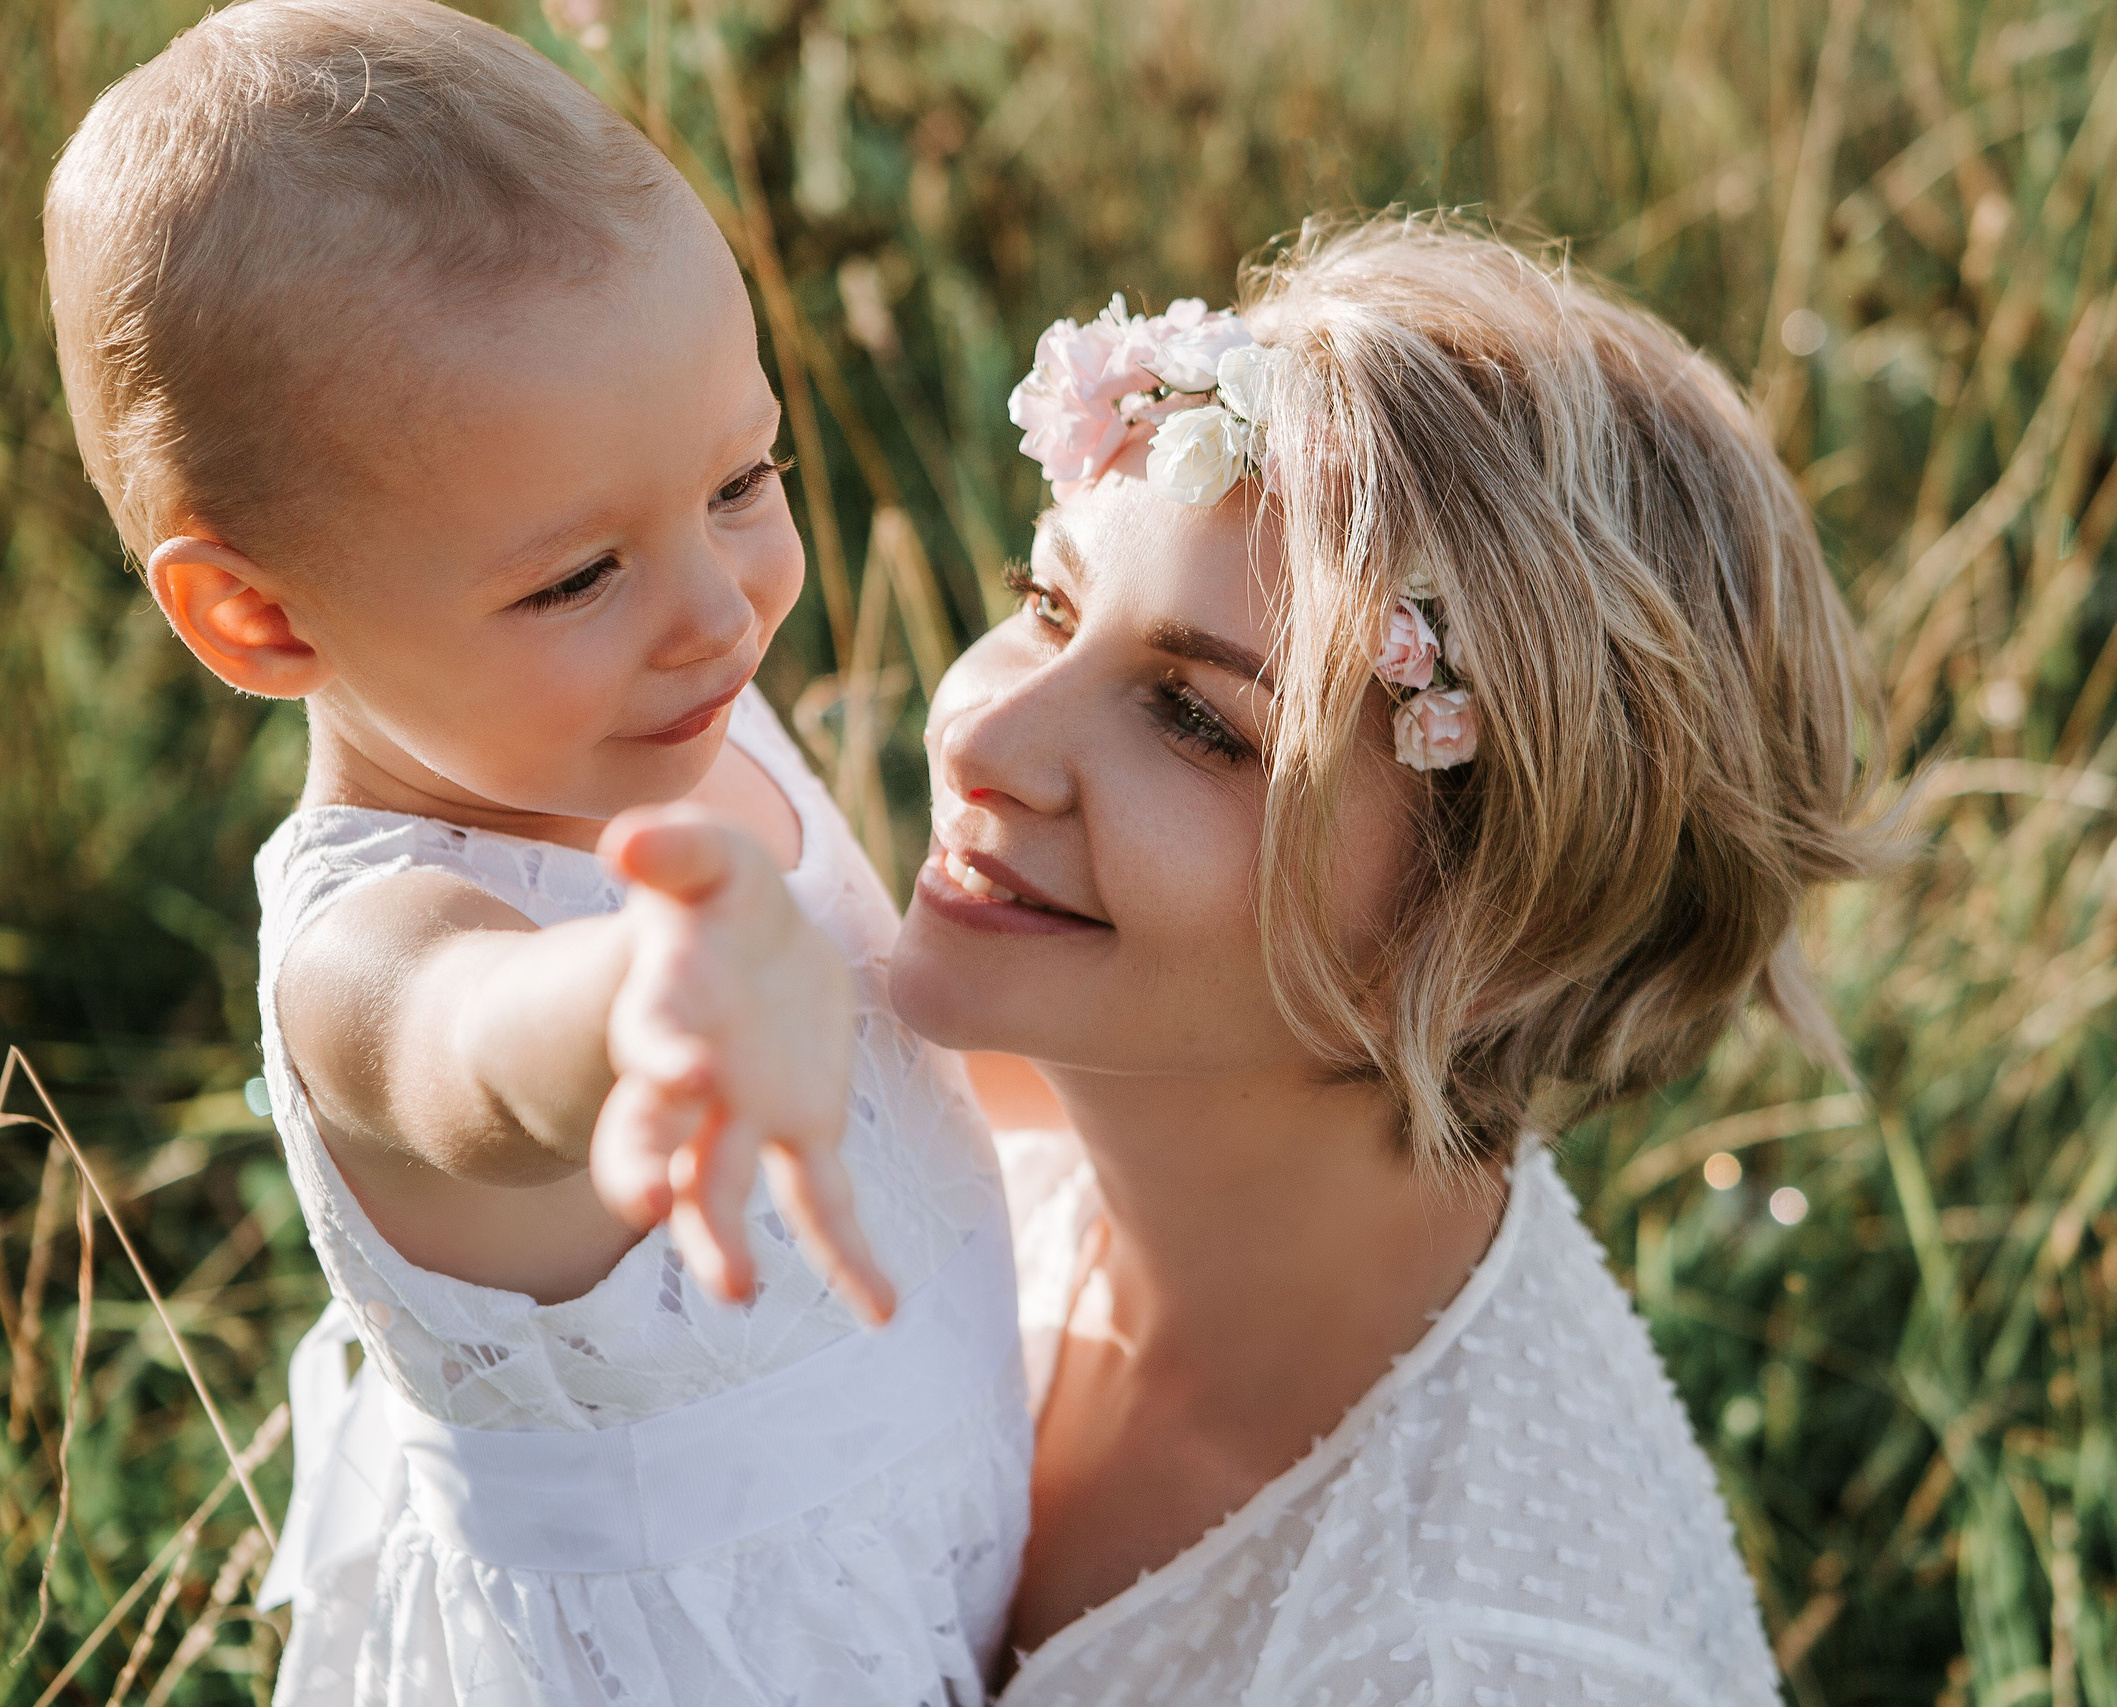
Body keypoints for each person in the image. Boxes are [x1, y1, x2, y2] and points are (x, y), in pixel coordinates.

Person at [43, 3, 1028, 1701]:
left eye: (744, 476)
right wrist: (632, 1002)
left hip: (933, 1560)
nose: (722, 609)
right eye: (578, 577)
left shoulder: (678, 712)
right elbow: (468, 1048)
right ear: (259, 616)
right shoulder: (374, 948)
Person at [889, 222, 1888, 1704]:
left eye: (1199, 721)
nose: (981, 737)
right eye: (1048, 604)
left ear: (1493, 934)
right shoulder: (934, 1112)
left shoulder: (1452, 1660)